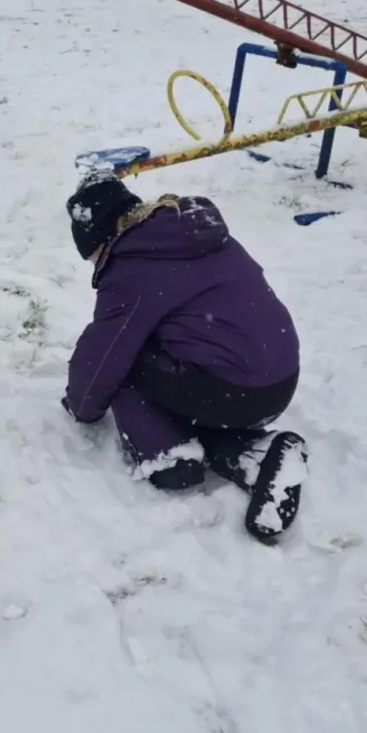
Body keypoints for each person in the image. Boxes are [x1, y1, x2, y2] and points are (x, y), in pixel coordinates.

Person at [61, 173, 308, 544]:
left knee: (123, 361)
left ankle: (170, 456)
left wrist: (81, 407)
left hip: (229, 388)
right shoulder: (189, 233)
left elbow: (101, 361)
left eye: (92, 254)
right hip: (278, 381)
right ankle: (252, 453)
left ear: (102, 237)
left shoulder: (131, 263)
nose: (95, 264)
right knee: (171, 361)